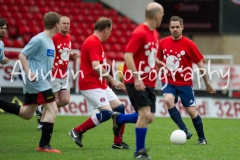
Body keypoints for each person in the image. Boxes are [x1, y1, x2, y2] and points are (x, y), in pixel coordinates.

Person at [68, 17, 138, 149]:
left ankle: (117, 142)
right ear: (105, 30)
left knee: (119, 108)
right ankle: (77, 131)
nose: (110, 33)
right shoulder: (93, 42)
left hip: (100, 84)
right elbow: (96, 66)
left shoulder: (95, 42)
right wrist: (113, 80)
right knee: (106, 113)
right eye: (110, 31)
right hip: (90, 84)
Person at [0, 11, 61, 153]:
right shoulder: (39, 39)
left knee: (26, 113)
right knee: (52, 108)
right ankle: (44, 145)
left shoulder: (49, 41)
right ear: (56, 24)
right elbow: (22, 54)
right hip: (36, 80)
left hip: (41, 80)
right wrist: (29, 72)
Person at [157, 16, 216, 145]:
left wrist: (207, 84)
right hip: (168, 81)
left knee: (191, 111)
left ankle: (202, 138)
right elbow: (158, 60)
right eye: (172, 27)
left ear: (182, 27)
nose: (175, 29)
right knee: (168, 100)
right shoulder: (163, 42)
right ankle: (184, 130)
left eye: (177, 27)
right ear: (169, 28)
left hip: (185, 83)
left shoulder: (189, 44)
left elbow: (201, 65)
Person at [121, 2, 164, 159]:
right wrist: (137, 77)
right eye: (162, 16)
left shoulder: (155, 34)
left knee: (149, 117)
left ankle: (119, 119)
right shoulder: (139, 32)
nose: (162, 19)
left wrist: (156, 62)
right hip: (135, 80)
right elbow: (128, 55)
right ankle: (139, 152)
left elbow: (148, 54)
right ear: (157, 16)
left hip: (150, 81)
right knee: (145, 114)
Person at [36, 16, 79, 130]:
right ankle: (43, 122)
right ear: (58, 25)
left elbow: (64, 52)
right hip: (53, 74)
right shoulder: (54, 37)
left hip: (63, 74)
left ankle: (41, 109)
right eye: (64, 23)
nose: (66, 25)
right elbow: (47, 53)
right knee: (52, 101)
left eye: (68, 23)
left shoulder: (69, 37)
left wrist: (71, 54)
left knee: (65, 100)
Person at [0, 18, 10, 93]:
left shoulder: (1, 44)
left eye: (5, 28)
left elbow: (1, 60)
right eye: (1, 28)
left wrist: (4, 61)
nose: (4, 30)